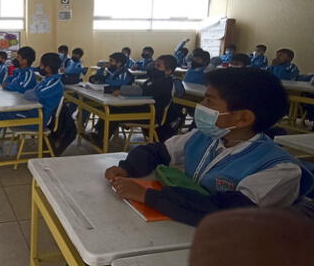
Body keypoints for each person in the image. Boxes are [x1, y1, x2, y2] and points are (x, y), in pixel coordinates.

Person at [106, 67, 314, 226]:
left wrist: (148, 196)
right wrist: (128, 168)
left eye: (210, 101)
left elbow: (228, 213)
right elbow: (156, 152)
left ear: (243, 118)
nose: (201, 106)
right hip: (190, 225)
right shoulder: (204, 136)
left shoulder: (279, 170)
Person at [0, 53, 64, 156]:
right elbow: (27, 90)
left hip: (38, 119)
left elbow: (31, 94)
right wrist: (28, 91)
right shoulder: (47, 79)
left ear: (48, 68)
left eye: (42, 65)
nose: (39, 67)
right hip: (31, 112)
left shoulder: (54, 83)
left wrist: (28, 91)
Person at [93, 55, 177, 142]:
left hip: (151, 114)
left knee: (113, 111)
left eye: (158, 66)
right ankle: (97, 133)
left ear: (168, 71)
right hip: (143, 108)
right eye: (154, 65)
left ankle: (100, 139)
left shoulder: (166, 83)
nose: (154, 68)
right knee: (111, 107)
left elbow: (143, 91)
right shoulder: (154, 79)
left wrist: (122, 90)